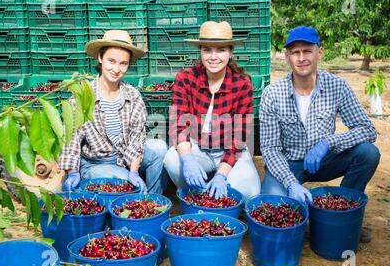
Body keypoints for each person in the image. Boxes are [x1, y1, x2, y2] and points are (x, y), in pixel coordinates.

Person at [260, 26, 380, 242]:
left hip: (325, 161)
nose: (301, 58)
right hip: (289, 164)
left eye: (307, 51)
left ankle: (343, 216)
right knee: (271, 206)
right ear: (287, 56)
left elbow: (367, 129)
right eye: (295, 52)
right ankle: (302, 211)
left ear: (319, 53)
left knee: (368, 153)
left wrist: (328, 142)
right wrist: (290, 182)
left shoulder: (336, 86)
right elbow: (270, 149)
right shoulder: (272, 94)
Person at [59, 30, 168, 194]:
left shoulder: (133, 95)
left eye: (123, 63)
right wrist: (72, 172)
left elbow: (137, 137)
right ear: (100, 58)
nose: (116, 69)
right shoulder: (83, 96)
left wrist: (133, 170)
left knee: (159, 148)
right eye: (111, 61)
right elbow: (72, 138)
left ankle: (151, 199)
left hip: (124, 157)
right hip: (96, 163)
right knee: (123, 182)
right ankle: (134, 196)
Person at [163, 21, 261, 200]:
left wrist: (222, 174)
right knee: (172, 159)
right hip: (197, 148)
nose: (213, 56)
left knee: (249, 193)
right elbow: (179, 124)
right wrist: (187, 159)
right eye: (207, 49)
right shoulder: (185, 78)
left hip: (229, 149)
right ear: (200, 51)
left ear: (231, 52)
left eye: (221, 50)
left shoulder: (242, 84)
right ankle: (195, 194)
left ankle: (219, 180)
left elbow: (239, 137)